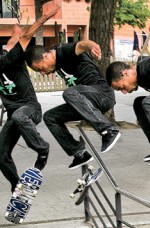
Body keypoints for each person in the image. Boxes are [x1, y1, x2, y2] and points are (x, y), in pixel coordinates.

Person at [26, 2, 121, 168]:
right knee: (50, 117)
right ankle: (79, 153)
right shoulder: (53, 61)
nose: (43, 73)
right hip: (86, 101)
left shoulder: (63, 51)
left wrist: (91, 45)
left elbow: (80, 45)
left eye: (40, 69)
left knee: (69, 93)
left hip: (102, 95)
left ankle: (108, 130)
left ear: (47, 57)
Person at [0, 13, 54, 190]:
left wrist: (43, 18)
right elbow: (13, 41)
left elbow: (25, 38)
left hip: (30, 110)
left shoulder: (12, 60)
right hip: (15, 118)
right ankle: (17, 186)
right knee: (1, 155)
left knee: (19, 115)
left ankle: (42, 149)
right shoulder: (2, 56)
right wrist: (15, 31)